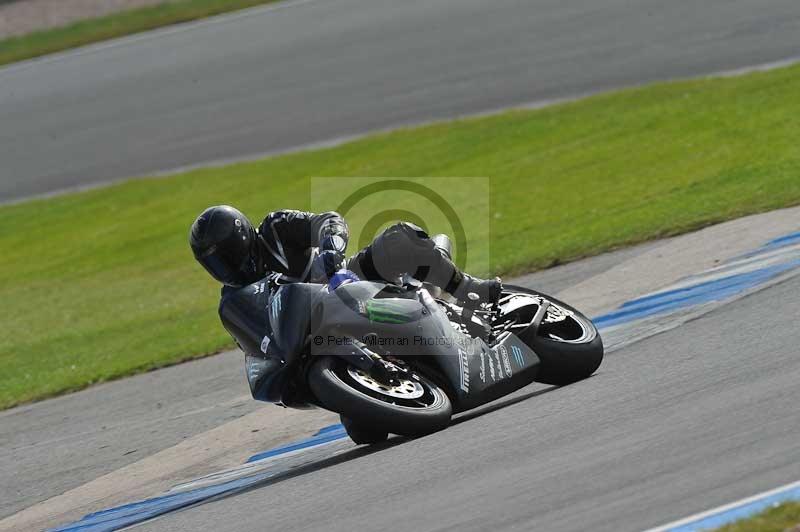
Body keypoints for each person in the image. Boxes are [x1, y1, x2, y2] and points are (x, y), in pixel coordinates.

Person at [189, 205, 501, 304]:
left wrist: (330, 250)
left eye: (225, 255)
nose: (223, 266)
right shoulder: (234, 298)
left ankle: (467, 288)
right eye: (213, 262)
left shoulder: (276, 228)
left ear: (242, 238)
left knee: (398, 238)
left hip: (343, 282)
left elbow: (328, 221)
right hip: (311, 332)